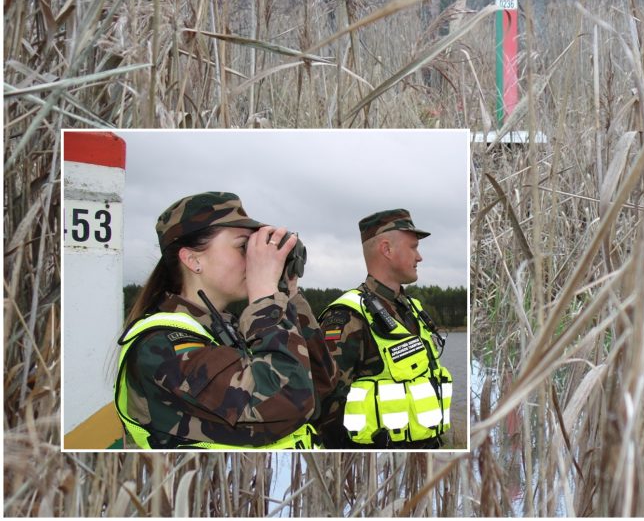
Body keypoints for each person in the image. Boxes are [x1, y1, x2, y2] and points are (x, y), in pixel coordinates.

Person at [114, 192, 337, 449]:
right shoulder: (163, 345)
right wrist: (264, 296)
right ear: (193, 260)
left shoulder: (228, 331)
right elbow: (287, 401)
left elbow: (321, 387)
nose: (253, 258)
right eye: (243, 246)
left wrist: (288, 294)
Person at [316, 209, 452, 449]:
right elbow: (325, 408)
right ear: (387, 249)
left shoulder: (412, 309)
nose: (419, 257)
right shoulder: (348, 317)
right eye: (413, 247)